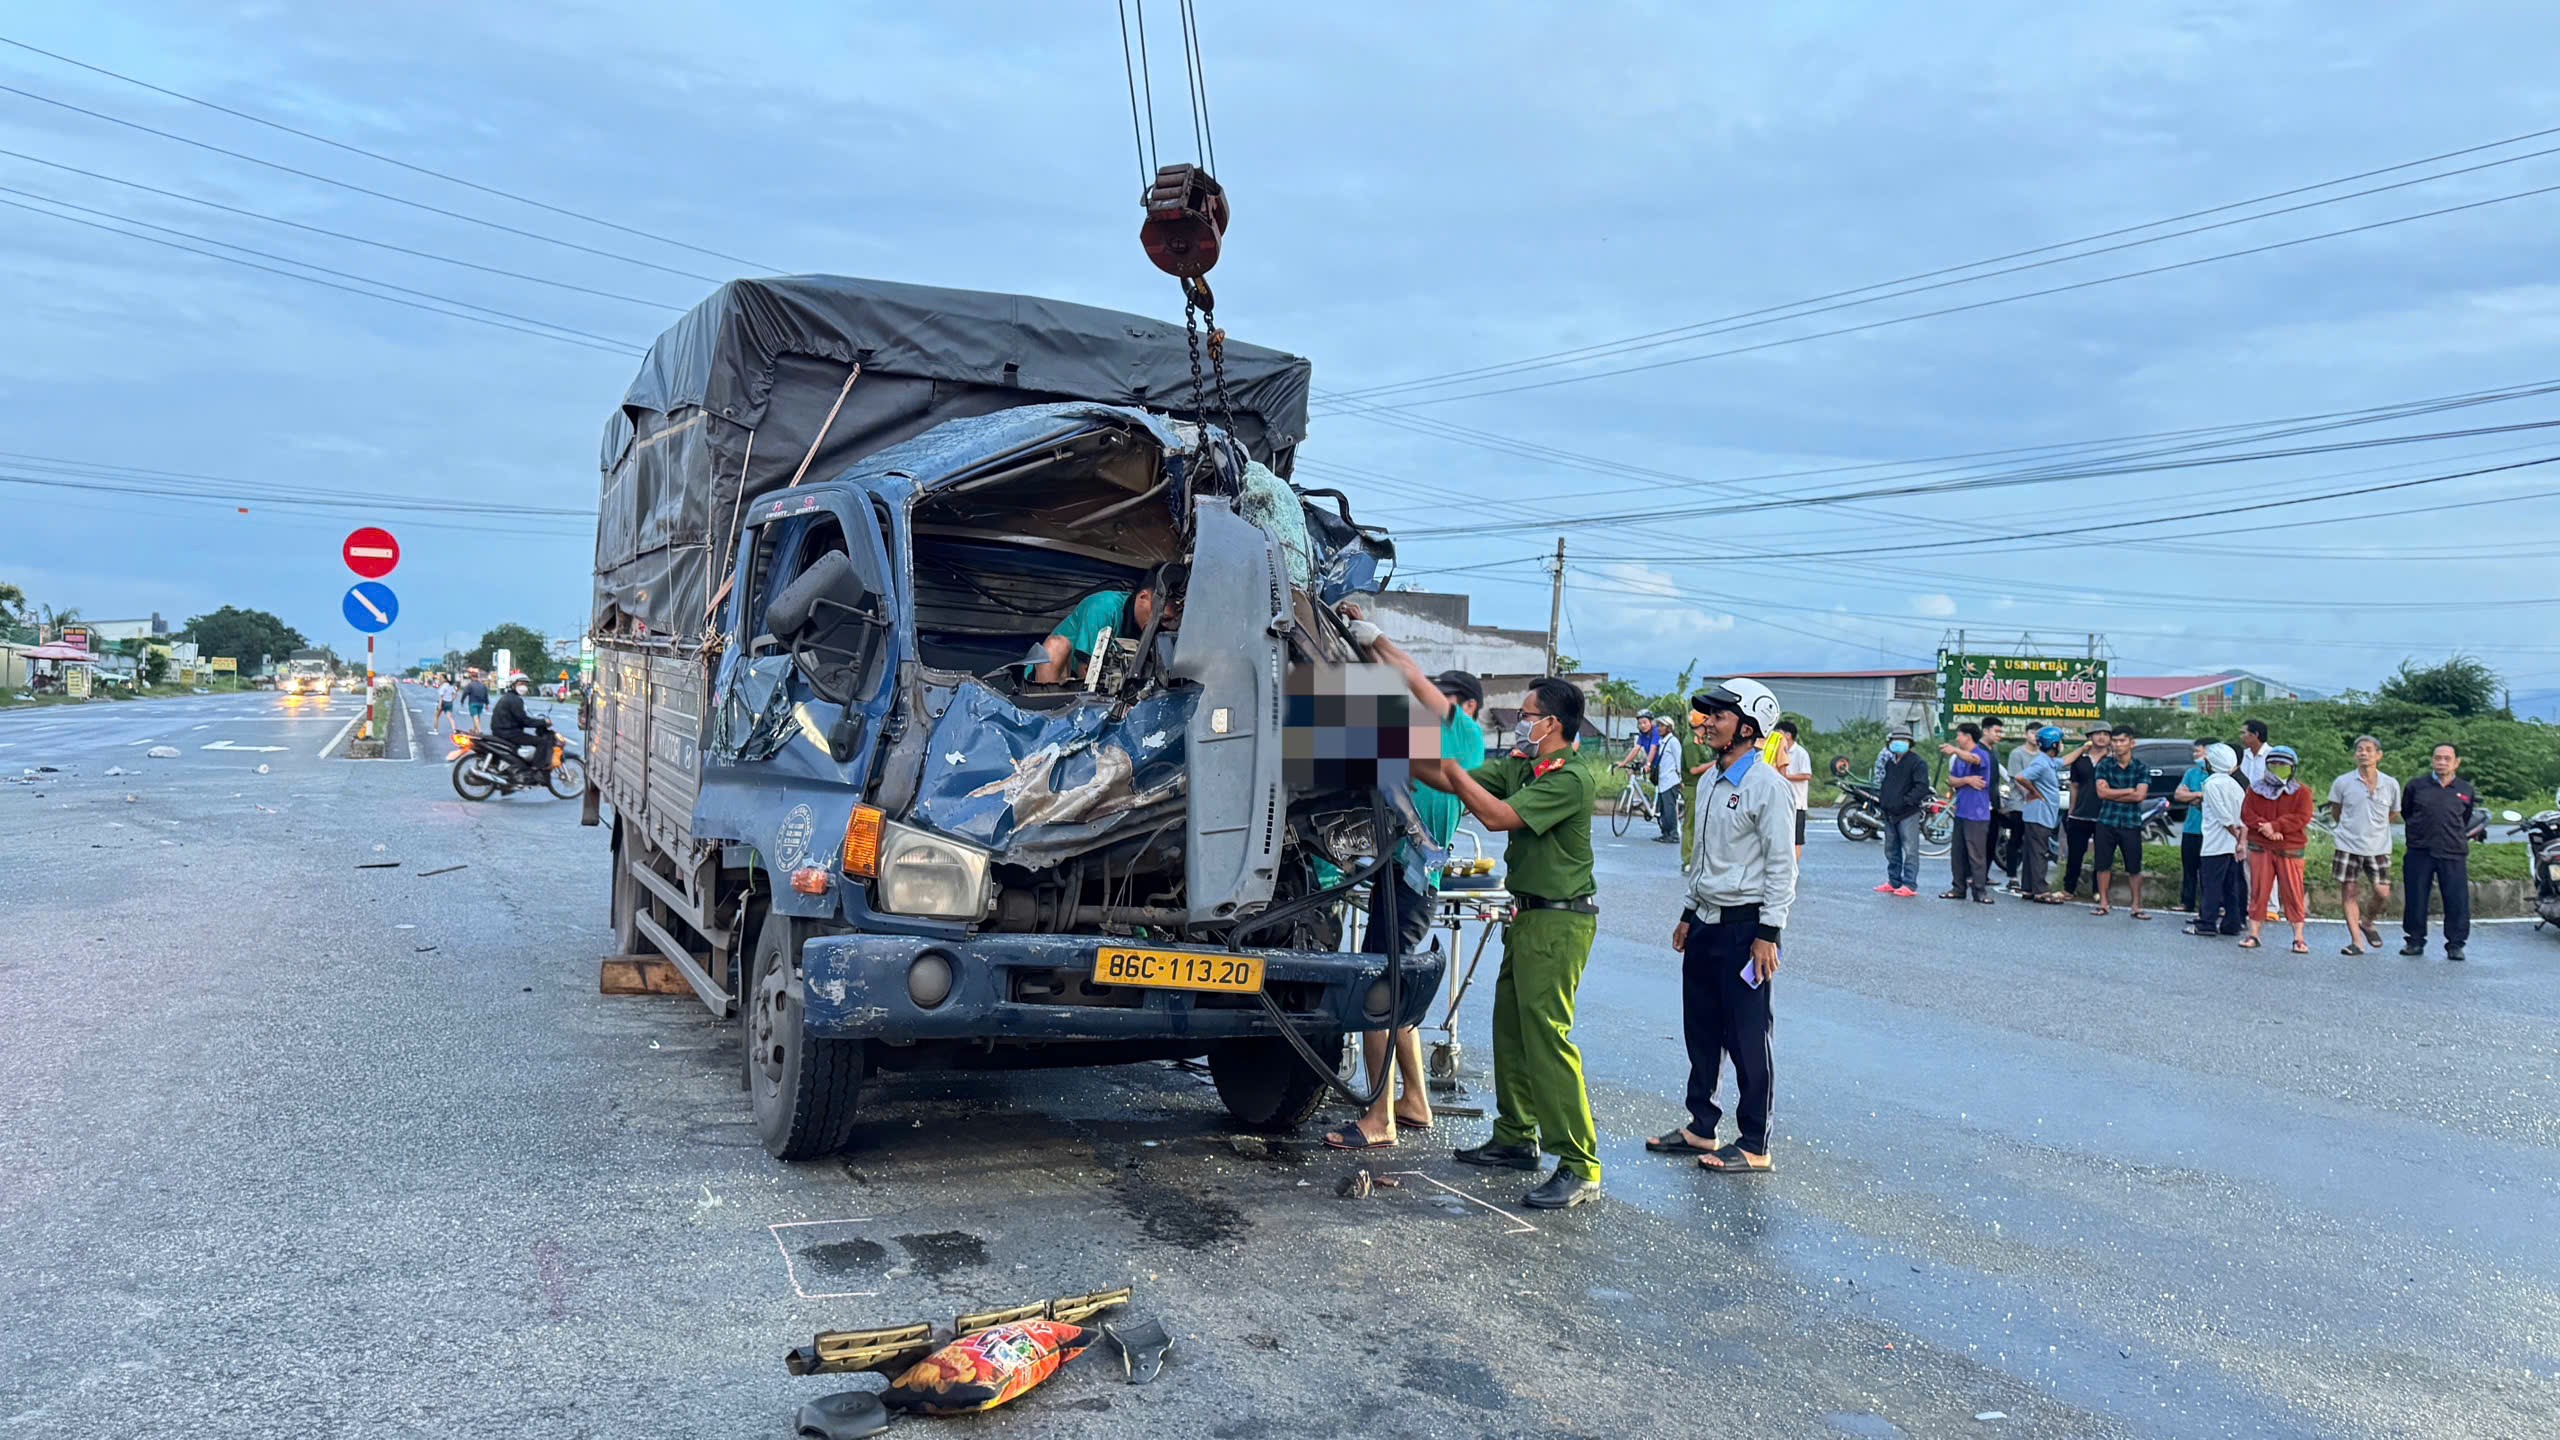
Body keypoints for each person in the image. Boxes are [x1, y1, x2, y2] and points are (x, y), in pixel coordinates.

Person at [1414, 677, 1603, 1210]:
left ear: (1553, 725)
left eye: (1527, 714)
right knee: (1511, 1033)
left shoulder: (1571, 779)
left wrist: (1449, 771)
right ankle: (1517, 1135)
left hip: (1561, 923)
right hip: (1528, 918)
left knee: (1548, 1038)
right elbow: (1462, 780)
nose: (1519, 723)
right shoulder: (1525, 765)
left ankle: (1579, 1163)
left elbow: (1496, 815)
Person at [1323, 610, 1486, 1152]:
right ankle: (1413, 1101)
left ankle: (1378, 1119)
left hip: (1410, 882)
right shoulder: (1441, 746)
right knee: (1397, 995)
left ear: (1463, 709)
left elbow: (1410, 674)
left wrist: (1373, 633)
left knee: (1376, 994)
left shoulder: (1460, 734)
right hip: (1408, 879)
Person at [1647, 680, 1795, 1177]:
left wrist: (1768, 934)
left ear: (1748, 728)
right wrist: (1689, 913)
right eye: (1706, 714)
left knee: (1749, 1036)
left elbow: (1781, 868)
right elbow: (1703, 857)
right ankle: (1700, 1126)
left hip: (1746, 928)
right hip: (1707, 925)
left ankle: (1755, 1142)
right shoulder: (1710, 779)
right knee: (1702, 1028)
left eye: (1718, 715)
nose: (1706, 722)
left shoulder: (1769, 787)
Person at [1027, 563, 1187, 685]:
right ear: (1143, 597)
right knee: (1055, 647)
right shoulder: (1103, 607)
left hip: (1112, 689)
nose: (1168, 626)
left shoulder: (1155, 628)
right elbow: (1087, 673)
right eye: (1163, 619)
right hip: (1059, 678)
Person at [2399, 742, 2478, 961]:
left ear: (2456, 763)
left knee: (2456, 899)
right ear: (2432, 760)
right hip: (2420, 849)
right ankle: (2414, 941)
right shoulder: (2416, 786)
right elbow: (2407, 812)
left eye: (2446, 758)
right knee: (2416, 896)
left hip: (2453, 851)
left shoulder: (2465, 789)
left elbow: (2465, 818)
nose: (2441, 762)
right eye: (2437, 758)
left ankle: (2455, 944)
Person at [2323, 736, 2400, 956]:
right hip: (2348, 844)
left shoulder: (2390, 783)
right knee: (2349, 891)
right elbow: (2336, 812)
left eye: (2368, 750)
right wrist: (2349, 828)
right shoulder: (2343, 782)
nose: (2363, 753)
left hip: (2379, 847)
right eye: (2359, 750)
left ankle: (2367, 922)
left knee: (2382, 892)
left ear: (2379, 755)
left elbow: (2393, 813)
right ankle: (2357, 941)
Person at [2240, 744, 2314, 954]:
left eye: (2283, 764)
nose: (2278, 767)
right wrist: (2266, 828)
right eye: (2273, 764)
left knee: (2293, 892)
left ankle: (2298, 938)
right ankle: (2253, 934)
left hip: (2290, 848)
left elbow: (2302, 816)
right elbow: (2247, 813)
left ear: (2292, 768)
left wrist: (2277, 826)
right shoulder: (2255, 789)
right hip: (2261, 846)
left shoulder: (2302, 792)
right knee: (2258, 891)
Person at [2088, 727, 2151, 920]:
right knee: (2102, 864)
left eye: (2122, 741)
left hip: (2131, 822)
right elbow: (2101, 793)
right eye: (2114, 741)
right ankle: (2104, 903)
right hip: (2106, 820)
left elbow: (2140, 795)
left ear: (2132, 743)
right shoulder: (2104, 765)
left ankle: (2136, 906)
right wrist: (2128, 791)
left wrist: (2115, 793)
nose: (2117, 744)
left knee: (2134, 866)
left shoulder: (2140, 767)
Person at [2188, 743, 2249, 938]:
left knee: (2211, 884)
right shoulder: (2236, 785)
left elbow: (2223, 816)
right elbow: (2243, 816)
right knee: (2230, 886)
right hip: (2231, 846)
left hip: (2215, 843)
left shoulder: (2212, 784)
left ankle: (2207, 922)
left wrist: (2235, 834)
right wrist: (2241, 840)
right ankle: (2232, 923)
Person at [2012, 727, 2066, 903]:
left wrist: (2084, 748)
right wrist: (2035, 792)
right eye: (2060, 742)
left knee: (2031, 852)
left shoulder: (2049, 761)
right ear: (2055, 744)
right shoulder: (2041, 763)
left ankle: (2028, 888)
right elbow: (2021, 777)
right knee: (2039, 853)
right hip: (2039, 814)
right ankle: (2041, 891)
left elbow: (2065, 761)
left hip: (2038, 814)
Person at [1943, 722, 1995, 904]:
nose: (1957, 739)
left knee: (1976, 853)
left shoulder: (1981, 754)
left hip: (1977, 813)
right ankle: (1958, 887)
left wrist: (1955, 751)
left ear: (1968, 736)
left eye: (1959, 735)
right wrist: (1966, 779)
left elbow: (1974, 760)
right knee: (1957, 852)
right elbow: (1951, 780)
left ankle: (1980, 891)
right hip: (1961, 811)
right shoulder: (1959, 759)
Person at [1874, 725, 1929, 897]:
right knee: (1891, 848)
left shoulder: (1917, 763)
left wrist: (1906, 802)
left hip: (1908, 813)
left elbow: (1921, 787)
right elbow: (1886, 783)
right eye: (1896, 740)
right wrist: (1884, 802)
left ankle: (1910, 884)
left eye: (1903, 740)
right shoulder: (1891, 762)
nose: (1899, 743)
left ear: (1910, 743)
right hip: (1890, 812)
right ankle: (1893, 880)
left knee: (1910, 849)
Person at [2061, 724, 2111, 897]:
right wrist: (2071, 810)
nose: (2102, 737)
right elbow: (2074, 786)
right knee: (2075, 854)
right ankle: (2069, 889)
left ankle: (2099, 891)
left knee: (2103, 856)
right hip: (2080, 813)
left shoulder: (2113, 760)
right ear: (2090, 736)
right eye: (2098, 733)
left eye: (2106, 734)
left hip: (2105, 813)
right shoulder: (2080, 759)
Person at [488, 674, 554, 776]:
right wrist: (543, 722)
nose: (524, 687)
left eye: (525, 684)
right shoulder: (514, 700)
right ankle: (535, 770)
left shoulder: (510, 698)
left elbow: (523, 718)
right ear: (513, 685)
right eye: (521, 684)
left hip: (503, 731)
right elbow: (524, 721)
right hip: (508, 733)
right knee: (541, 742)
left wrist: (538, 721)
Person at [2174, 739, 2212, 913]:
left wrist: (2192, 795)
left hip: (2211, 831)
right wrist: (2198, 794)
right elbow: (2179, 794)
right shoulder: (2191, 773)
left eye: (2198, 751)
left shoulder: (2219, 775)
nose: (2195, 755)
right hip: (2191, 828)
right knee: (2189, 868)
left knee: (2209, 870)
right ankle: (2186, 902)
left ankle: (2211, 903)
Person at [1769, 719, 1814, 861]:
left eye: (1779, 733)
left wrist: (1785, 777)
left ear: (1788, 735)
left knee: (1796, 839)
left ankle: (1794, 869)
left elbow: (1807, 775)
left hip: (1797, 802)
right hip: (1780, 800)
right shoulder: (1776, 750)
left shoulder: (1800, 753)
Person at [1676, 707, 1715, 870]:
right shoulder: (1690, 742)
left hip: (1704, 785)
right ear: (1702, 722)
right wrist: (1715, 764)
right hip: (1692, 787)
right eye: (1708, 720)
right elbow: (1693, 769)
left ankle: (1699, 858)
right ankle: (1687, 859)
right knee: (1690, 824)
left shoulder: (1703, 740)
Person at [1650, 719, 1685, 845]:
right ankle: (1665, 833)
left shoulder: (1673, 742)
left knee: (1670, 809)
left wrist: (1680, 779)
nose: (1659, 728)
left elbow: (1678, 760)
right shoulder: (1663, 742)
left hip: (1671, 781)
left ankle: (1673, 834)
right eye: (1658, 726)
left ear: (1669, 728)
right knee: (1663, 809)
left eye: (1662, 726)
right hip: (1663, 780)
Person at [2236, 719, 2271, 790]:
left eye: (2243, 733)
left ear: (2255, 734)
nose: (2241, 737)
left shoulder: (2271, 755)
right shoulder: (2242, 755)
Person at [460, 669, 490, 735]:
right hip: (481, 704)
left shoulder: (470, 685)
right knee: (477, 717)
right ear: (477, 677)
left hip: (473, 703)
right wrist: (487, 704)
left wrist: (462, 701)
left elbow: (465, 693)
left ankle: (479, 730)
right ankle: (475, 730)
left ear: (472, 678)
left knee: (475, 716)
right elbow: (486, 695)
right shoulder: (483, 685)